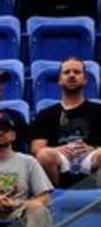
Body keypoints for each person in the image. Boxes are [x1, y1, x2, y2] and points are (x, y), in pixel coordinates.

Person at [31, 57, 101, 187]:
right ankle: (55, 195)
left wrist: (93, 148)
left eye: (77, 72)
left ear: (85, 79)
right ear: (59, 80)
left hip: (90, 156)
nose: (72, 75)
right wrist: (58, 149)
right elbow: (37, 148)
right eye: (67, 72)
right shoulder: (46, 114)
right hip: (59, 157)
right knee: (44, 155)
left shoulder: (98, 111)